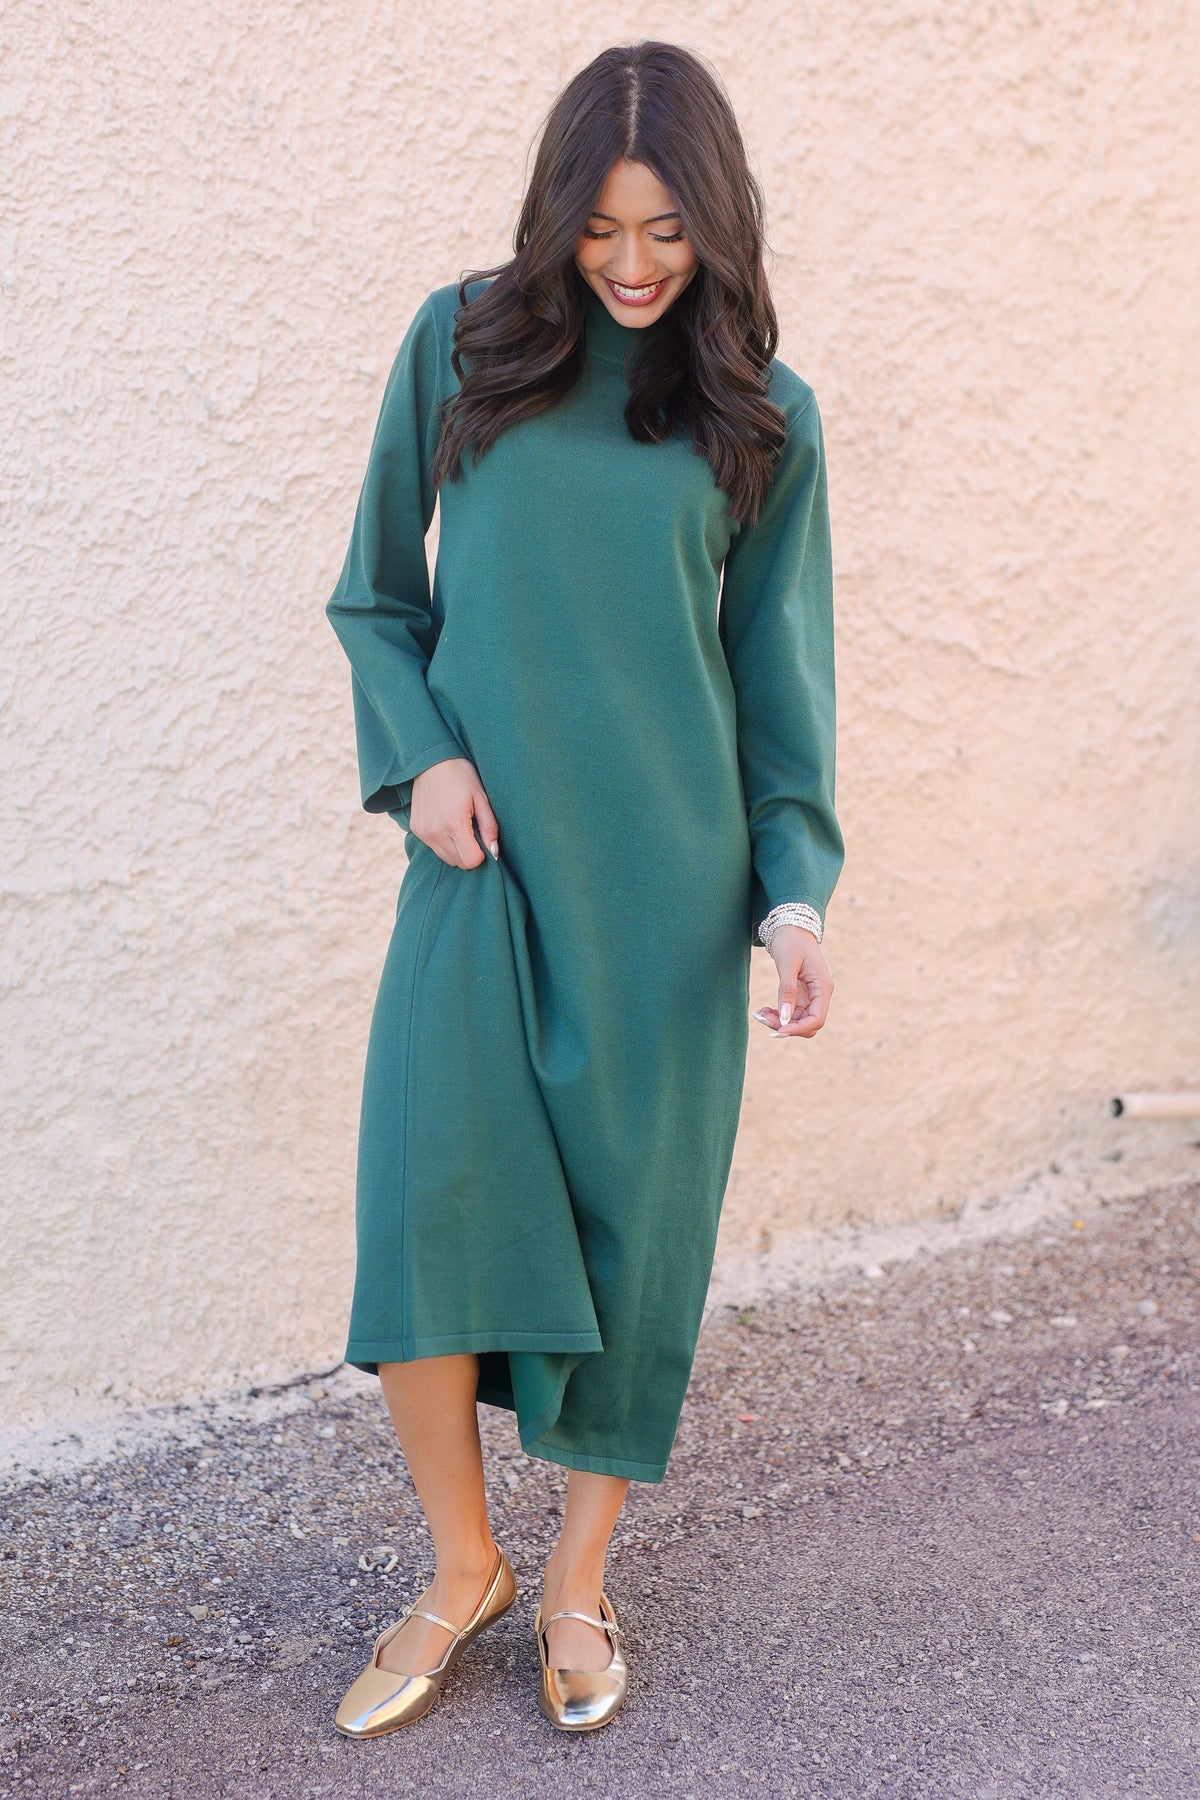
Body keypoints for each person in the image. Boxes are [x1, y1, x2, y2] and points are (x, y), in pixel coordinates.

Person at [323, 38, 844, 1738]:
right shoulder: (458, 346)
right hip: (481, 868)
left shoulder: (761, 418)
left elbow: (782, 684)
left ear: (719, 231)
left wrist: (794, 897)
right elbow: (373, 604)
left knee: (636, 1245)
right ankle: (462, 1563)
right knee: (431, 1206)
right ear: (559, 213)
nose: (633, 265)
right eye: (606, 227)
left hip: (669, 904)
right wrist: (423, 764)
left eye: (671, 234)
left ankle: (574, 1582)